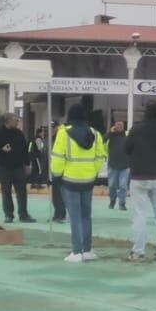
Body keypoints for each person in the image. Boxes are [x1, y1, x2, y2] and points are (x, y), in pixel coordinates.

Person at [50, 103, 105, 262]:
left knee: (74, 217)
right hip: (88, 180)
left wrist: (57, 174)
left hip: (69, 180)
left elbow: (58, 157)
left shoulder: (63, 134)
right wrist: (93, 172)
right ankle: (87, 250)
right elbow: (101, 156)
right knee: (86, 216)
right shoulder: (95, 133)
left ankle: (76, 251)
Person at [124, 100, 156, 262]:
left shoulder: (135, 129)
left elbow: (126, 149)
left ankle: (138, 251)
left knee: (140, 214)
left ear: (145, 111)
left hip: (139, 176)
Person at [0, 114, 34, 223]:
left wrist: (27, 164)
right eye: (15, 120)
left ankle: (23, 214)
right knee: (6, 191)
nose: (17, 122)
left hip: (18, 167)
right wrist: (1, 149)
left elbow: (24, 150)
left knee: (22, 191)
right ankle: (9, 215)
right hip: (4, 167)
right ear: (8, 121)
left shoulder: (19, 134)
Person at [106, 119, 130, 210]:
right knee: (112, 185)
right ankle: (112, 201)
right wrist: (110, 132)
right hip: (113, 165)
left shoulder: (127, 135)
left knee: (123, 186)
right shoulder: (111, 136)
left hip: (125, 165)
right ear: (114, 126)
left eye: (121, 125)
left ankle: (122, 203)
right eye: (117, 125)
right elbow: (103, 140)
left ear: (123, 126)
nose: (119, 126)